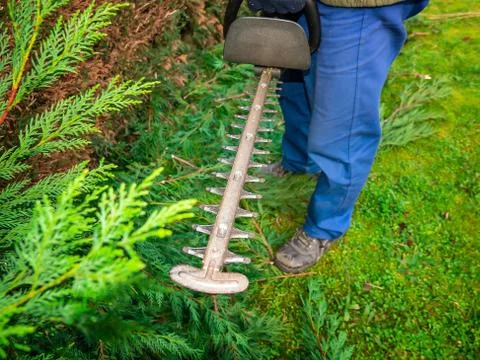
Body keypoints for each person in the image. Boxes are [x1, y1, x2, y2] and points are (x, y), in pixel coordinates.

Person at [247, 0, 429, 273]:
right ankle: (299, 162)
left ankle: (325, 226)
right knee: (296, 90)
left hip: (358, 7)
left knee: (342, 123)